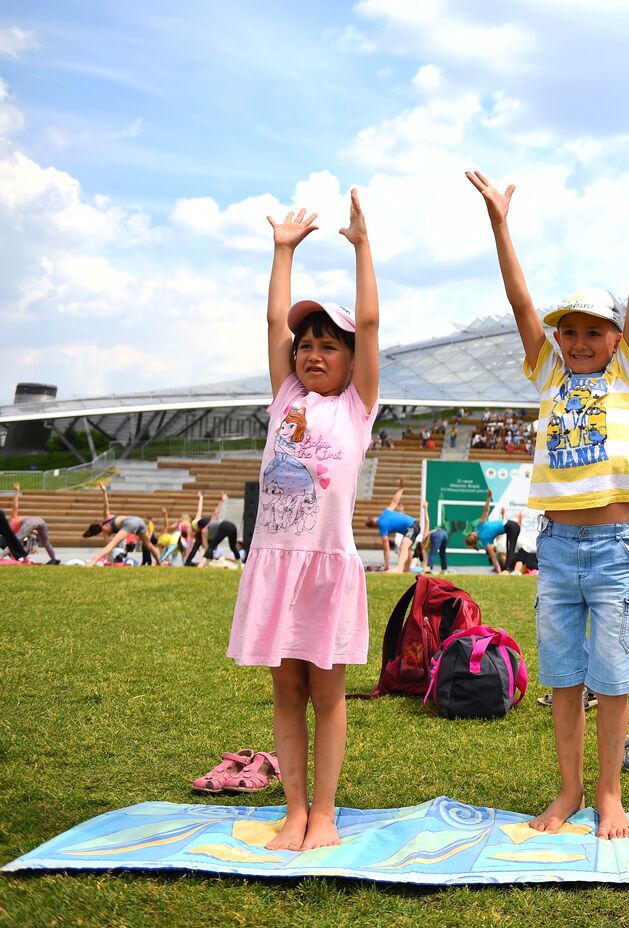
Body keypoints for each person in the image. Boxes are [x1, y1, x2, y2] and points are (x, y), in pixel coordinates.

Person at [467, 147, 629, 839]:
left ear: (618, 339)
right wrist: (501, 224)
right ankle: (568, 792)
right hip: (556, 547)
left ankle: (611, 795)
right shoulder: (548, 375)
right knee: (563, 678)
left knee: (612, 677)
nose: (580, 341)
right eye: (570, 332)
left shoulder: (625, 375)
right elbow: (519, 300)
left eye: (595, 331)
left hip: (615, 545)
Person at [226, 190, 380, 851]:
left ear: (349, 362)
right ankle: (292, 810)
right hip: (275, 562)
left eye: (329, 346)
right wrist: (282, 250)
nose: (313, 353)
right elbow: (272, 324)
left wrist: (362, 248)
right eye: (306, 345)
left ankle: (324, 813)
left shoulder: (357, 408)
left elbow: (370, 326)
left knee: (327, 694)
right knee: (285, 690)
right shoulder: (285, 394)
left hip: (326, 568)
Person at [84, 485, 162, 565]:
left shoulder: (105, 529)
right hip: (139, 520)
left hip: (129, 523)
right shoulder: (106, 517)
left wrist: (111, 563)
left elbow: (109, 547)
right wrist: (104, 491)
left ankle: (92, 563)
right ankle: (159, 563)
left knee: (112, 543)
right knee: (149, 545)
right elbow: (106, 504)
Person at [364, 476, 418, 573]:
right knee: (406, 547)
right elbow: (394, 501)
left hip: (412, 526)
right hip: (413, 524)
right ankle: (406, 570)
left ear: (373, 526)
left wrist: (386, 565)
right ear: (375, 518)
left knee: (404, 546)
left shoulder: (382, 527)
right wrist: (401, 488)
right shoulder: (385, 513)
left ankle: (400, 568)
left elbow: (386, 548)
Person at [462, 490, 520, 574]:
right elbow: (486, 510)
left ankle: (506, 570)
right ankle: (507, 571)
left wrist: (499, 571)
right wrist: (488, 497)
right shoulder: (480, 527)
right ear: (472, 534)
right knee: (509, 550)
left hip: (511, 527)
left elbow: (494, 559)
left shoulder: (485, 541)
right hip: (512, 526)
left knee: (510, 550)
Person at [188, 491, 243, 565]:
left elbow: (210, 511)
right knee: (232, 547)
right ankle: (240, 564)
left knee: (209, 547)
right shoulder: (208, 522)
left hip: (218, 528)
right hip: (231, 526)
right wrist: (221, 501)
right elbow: (212, 512)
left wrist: (201, 497)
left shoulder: (205, 527)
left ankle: (201, 564)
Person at [9, 484, 60, 564]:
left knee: (15, 543)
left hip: (29, 525)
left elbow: (15, 505)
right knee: (44, 542)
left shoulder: (12, 519)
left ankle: (52, 559)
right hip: (34, 523)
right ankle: (53, 558)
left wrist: (17, 491)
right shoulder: (11, 526)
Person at [420, 499, 450, 574]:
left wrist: (425, 509)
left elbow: (427, 521)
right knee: (442, 553)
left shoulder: (423, 543)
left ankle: (429, 569)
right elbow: (427, 522)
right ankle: (444, 569)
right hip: (444, 534)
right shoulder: (426, 539)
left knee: (432, 553)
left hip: (438, 535)